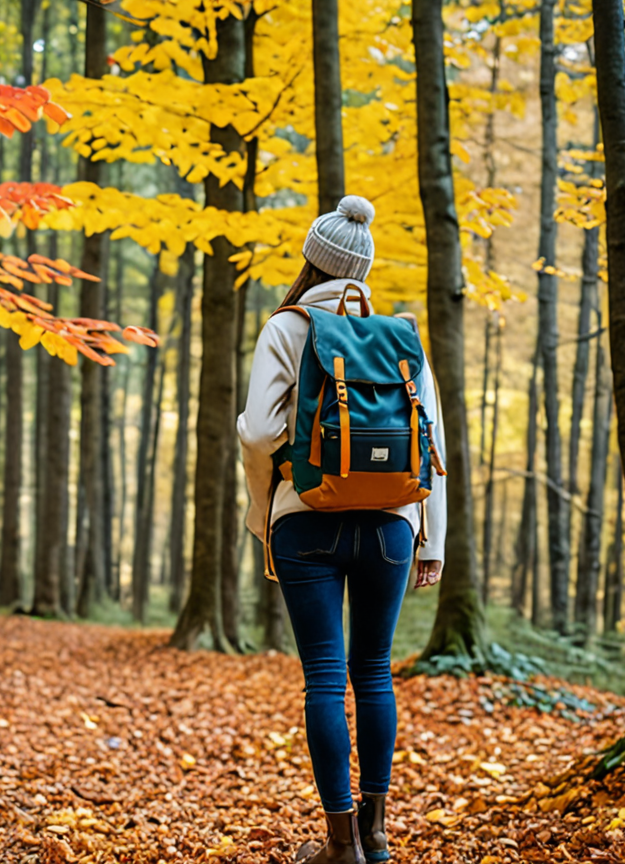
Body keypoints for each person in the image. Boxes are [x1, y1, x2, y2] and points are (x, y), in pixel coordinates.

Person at [239, 195, 446, 864]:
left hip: (306, 523)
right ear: (362, 268)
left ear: (311, 258)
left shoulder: (287, 326)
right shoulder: (399, 334)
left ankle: (341, 843)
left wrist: (262, 506)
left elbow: (261, 432)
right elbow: (430, 442)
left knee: (325, 677)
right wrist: (431, 539)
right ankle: (378, 833)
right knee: (375, 671)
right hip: (391, 526)